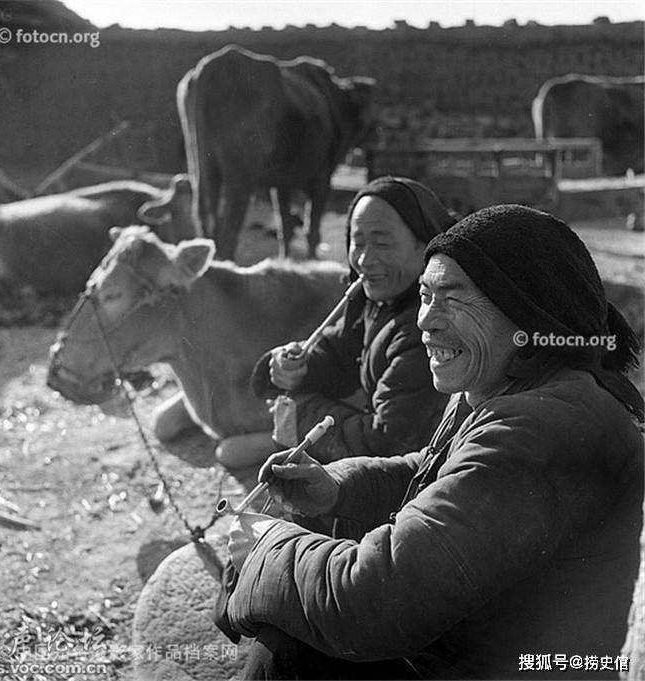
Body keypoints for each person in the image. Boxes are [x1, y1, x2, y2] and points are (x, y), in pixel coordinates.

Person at [218, 204, 644, 679]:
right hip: (502, 643)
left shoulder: (543, 427)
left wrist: (268, 546)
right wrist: (338, 487)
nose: (426, 320)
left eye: (453, 299)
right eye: (425, 295)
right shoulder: (509, 384)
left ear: (525, 308)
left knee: (290, 651)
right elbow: (438, 468)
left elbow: (371, 601)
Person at [216, 176, 456, 468]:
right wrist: (298, 367)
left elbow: (388, 443)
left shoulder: (428, 328)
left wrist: (299, 414)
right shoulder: (381, 303)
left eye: (382, 243)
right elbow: (341, 351)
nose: (365, 259)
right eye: (357, 243)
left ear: (426, 247)